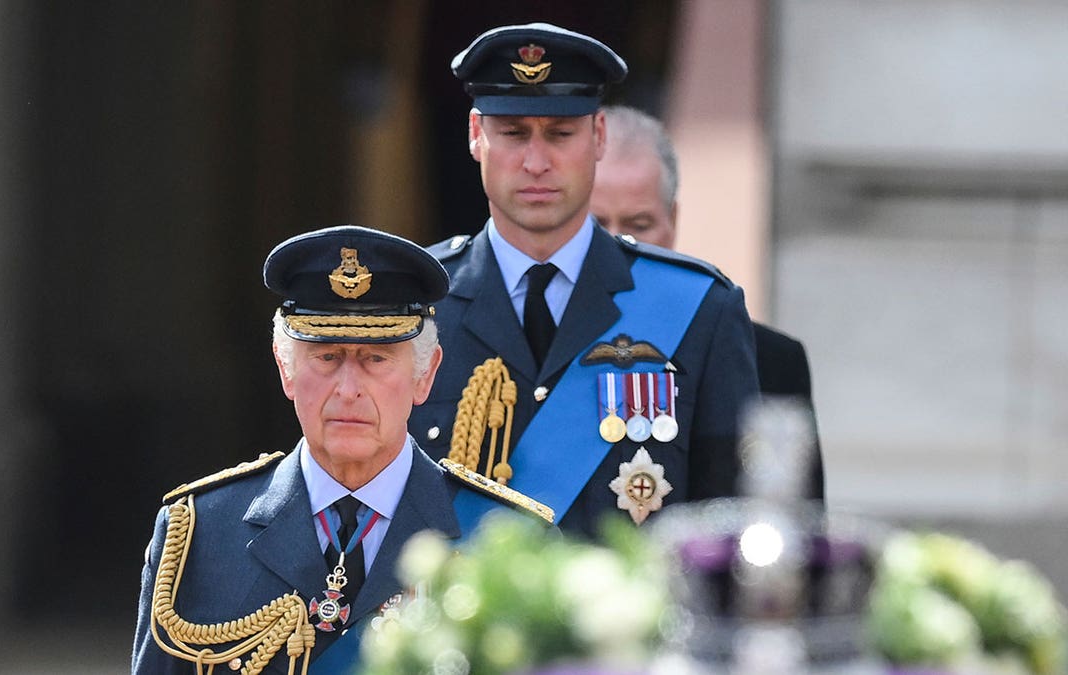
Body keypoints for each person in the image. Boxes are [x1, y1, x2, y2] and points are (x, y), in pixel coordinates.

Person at [132, 226, 550, 675]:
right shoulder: (199, 534)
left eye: (377, 359)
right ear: (285, 369)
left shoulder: (507, 536)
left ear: (426, 374)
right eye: (326, 357)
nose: (348, 390)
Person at [408, 23, 760, 539]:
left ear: (597, 136)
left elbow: (730, 520)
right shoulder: (412, 308)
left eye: (559, 133)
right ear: (475, 135)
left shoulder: (699, 308)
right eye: (513, 133)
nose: (536, 161)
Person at [590, 104, 825, 501]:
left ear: (673, 220)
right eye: (597, 226)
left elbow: (796, 530)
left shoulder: (770, 360)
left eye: (639, 225)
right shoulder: (530, 342)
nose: (621, 245)